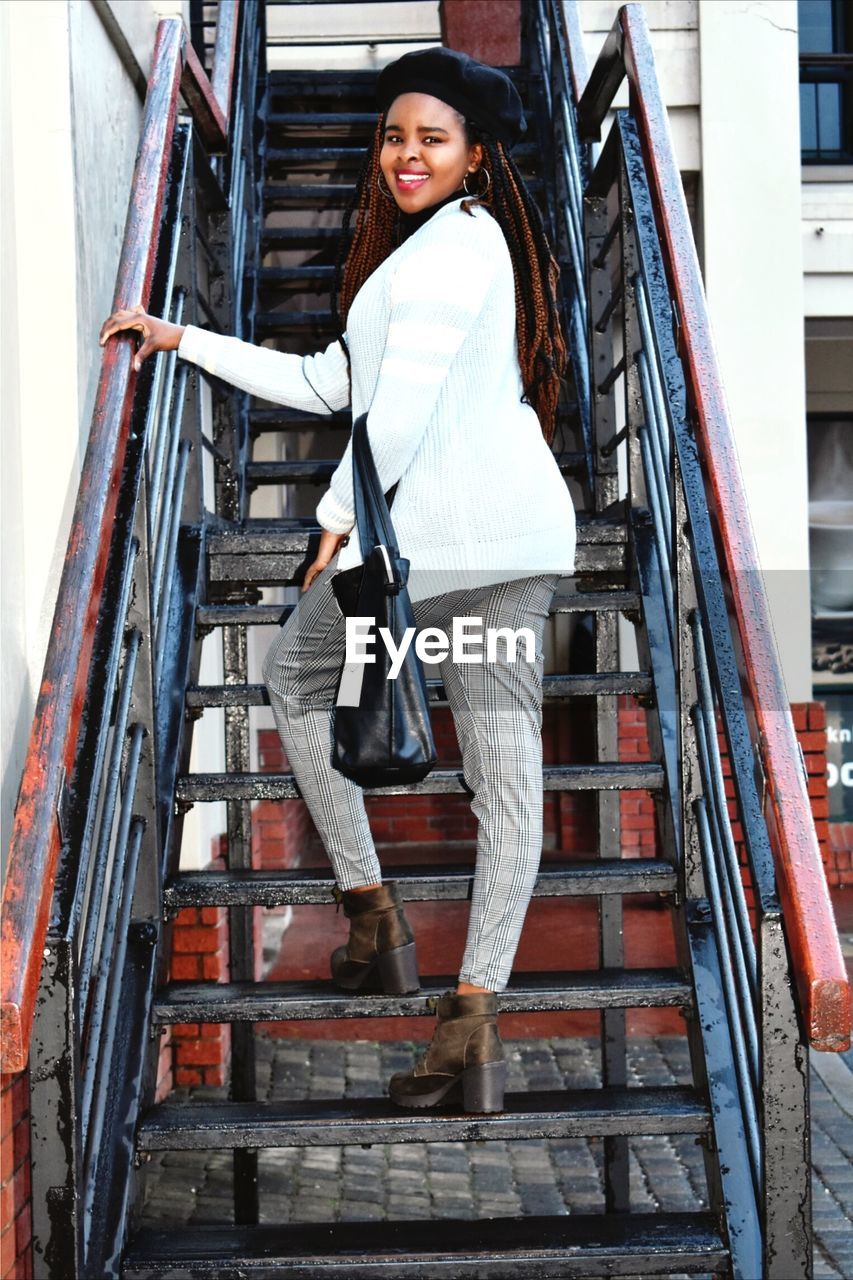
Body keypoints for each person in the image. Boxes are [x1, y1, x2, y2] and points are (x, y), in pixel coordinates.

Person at [99, 46, 577, 1115]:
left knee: (300, 683)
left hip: (450, 549)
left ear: (475, 157)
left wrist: (331, 521)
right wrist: (183, 339)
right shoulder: (422, 257)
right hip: (510, 543)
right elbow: (332, 384)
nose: (407, 153)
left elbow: (393, 417)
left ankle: (374, 917)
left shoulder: (453, 249)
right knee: (504, 778)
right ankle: (469, 1026)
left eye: (432, 139)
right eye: (395, 134)